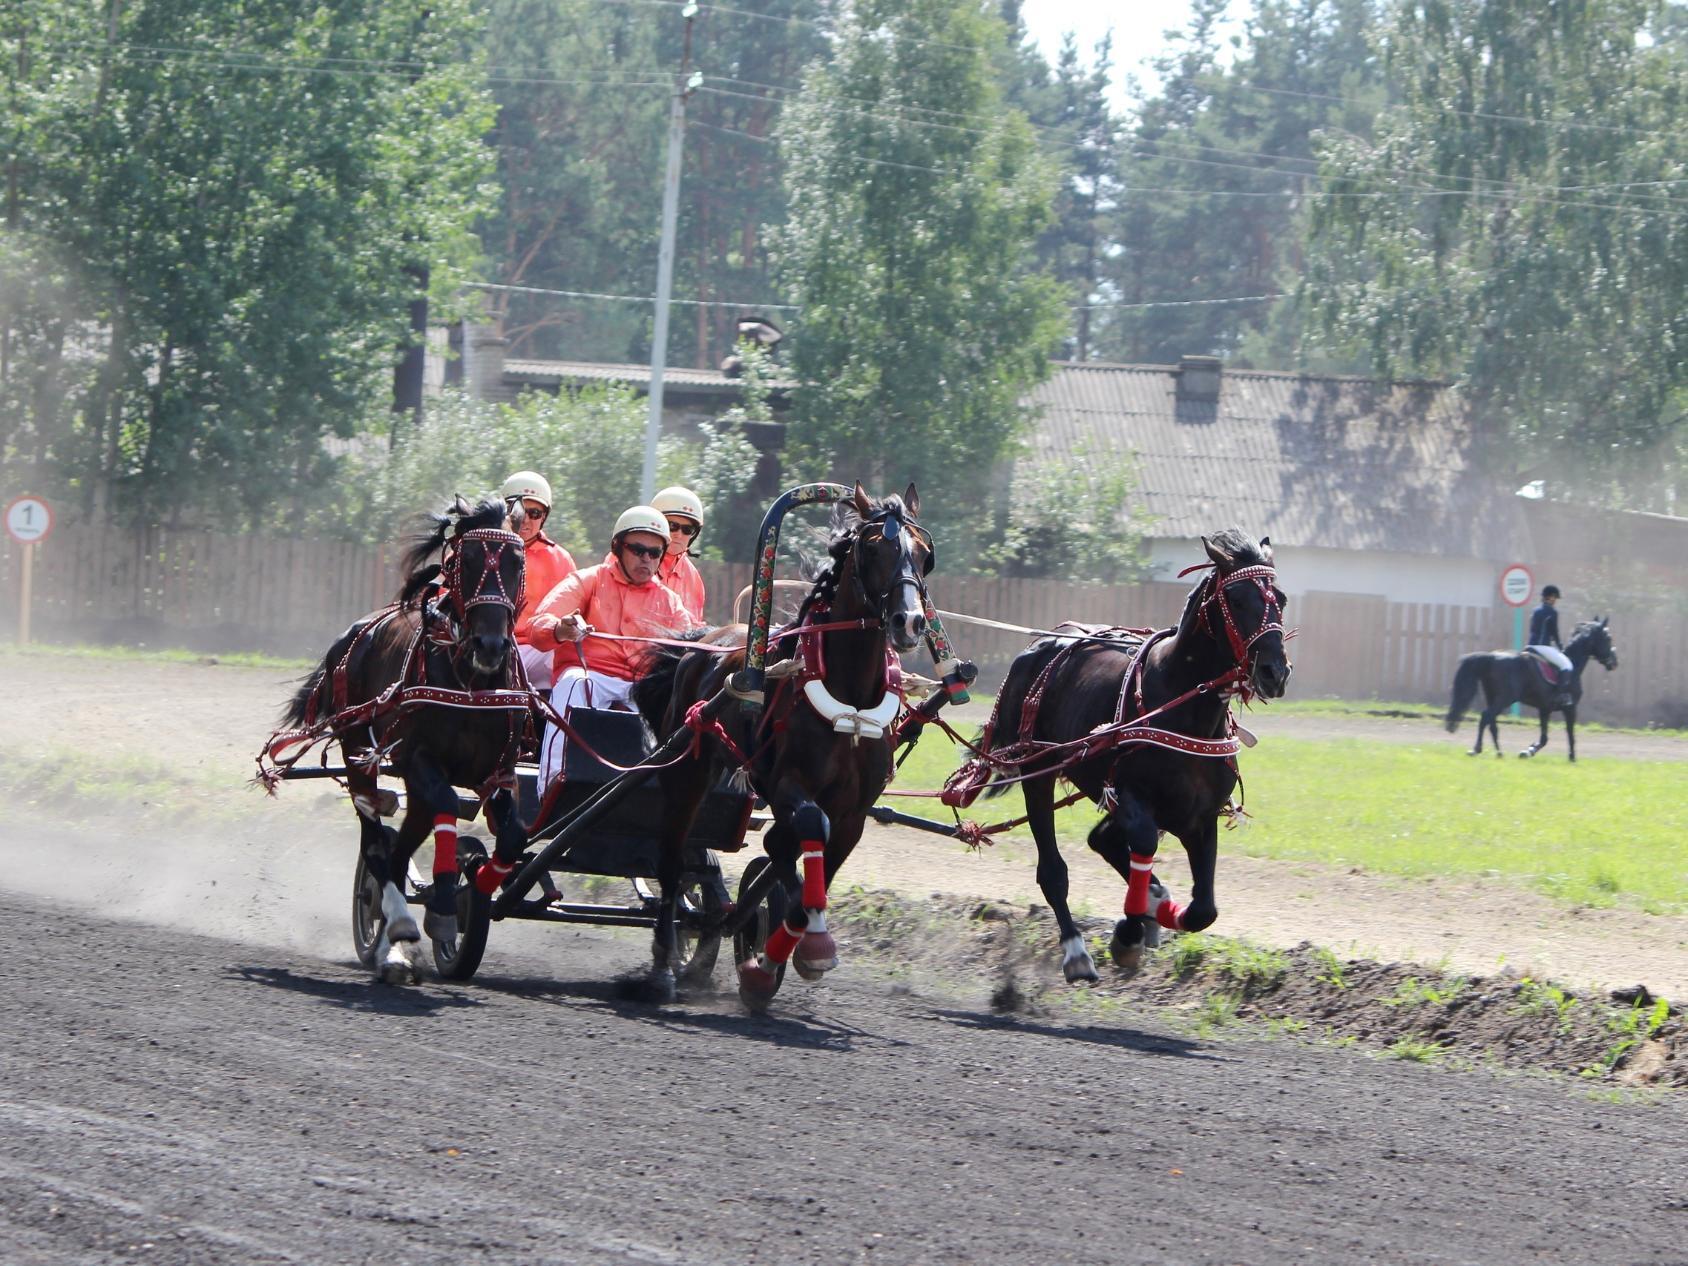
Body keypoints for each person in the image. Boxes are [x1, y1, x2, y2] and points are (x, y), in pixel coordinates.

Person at [527, 505, 699, 790]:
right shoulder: (588, 580)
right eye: (638, 549)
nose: (646, 559)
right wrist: (561, 629)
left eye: (654, 553)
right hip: (591, 676)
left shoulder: (669, 601)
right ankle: (552, 785)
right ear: (618, 547)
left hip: (641, 686)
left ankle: (660, 793)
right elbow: (538, 626)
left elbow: (694, 641)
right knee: (573, 684)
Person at [500, 470, 575, 690]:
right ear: (504, 511)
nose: (525, 519)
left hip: (539, 648)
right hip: (492, 644)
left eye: (534, 513)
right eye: (517, 510)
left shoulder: (560, 559)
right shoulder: (482, 546)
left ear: (544, 517)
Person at [651, 485, 707, 622]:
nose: (679, 535)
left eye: (687, 529)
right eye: (672, 526)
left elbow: (694, 629)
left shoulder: (693, 577)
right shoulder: (630, 559)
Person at [1527, 585, 1573, 671]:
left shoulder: (1535, 611)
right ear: (1550, 597)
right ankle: (1562, 684)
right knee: (1567, 665)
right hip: (1543, 647)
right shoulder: (1552, 612)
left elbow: (1532, 629)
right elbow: (1554, 633)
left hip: (1530, 646)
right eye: (1555, 598)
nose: (1555, 600)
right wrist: (1561, 648)